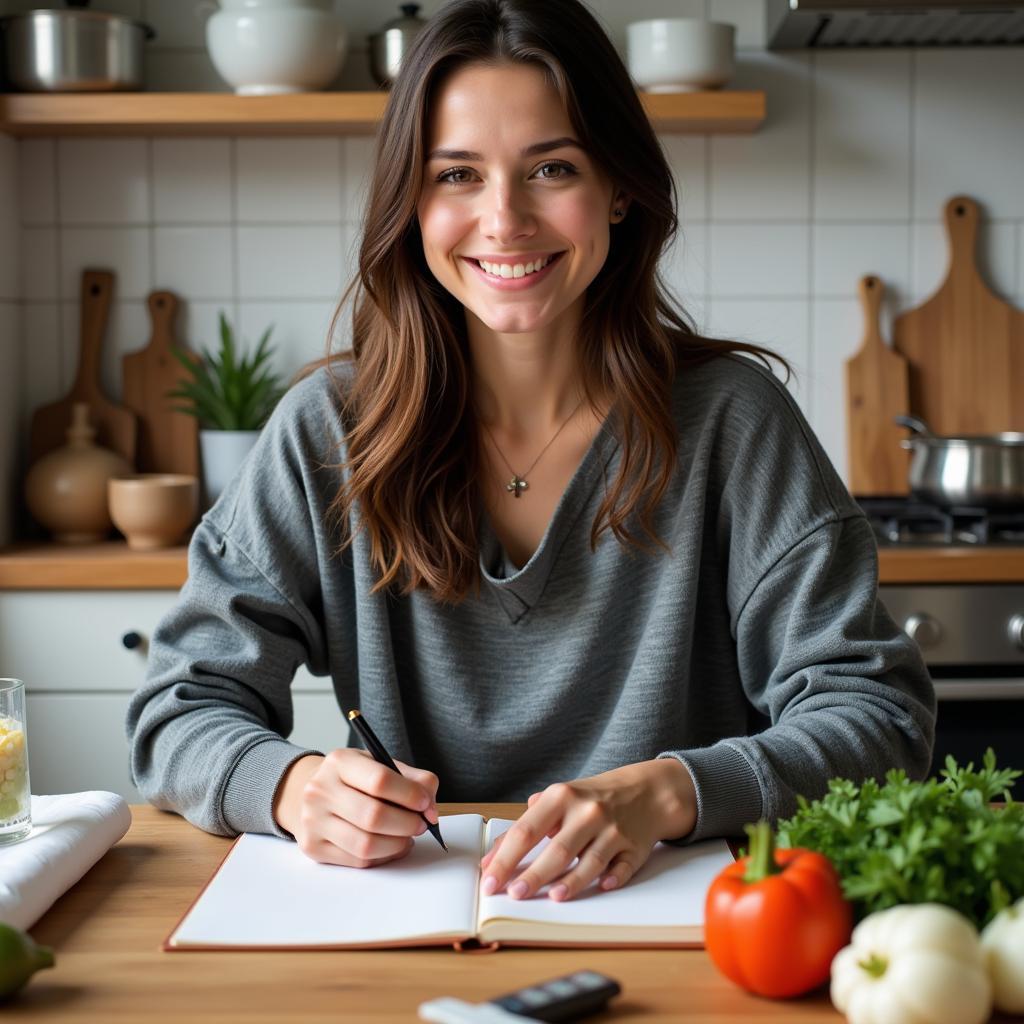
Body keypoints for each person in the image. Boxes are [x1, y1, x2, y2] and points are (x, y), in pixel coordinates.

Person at [126, 0, 935, 905]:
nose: (504, 219)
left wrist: (668, 790)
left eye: (552, 167)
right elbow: (178, 714)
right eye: (458, 175)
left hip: (694, 937)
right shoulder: (329, 429)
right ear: (412, 204)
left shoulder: (735, 422)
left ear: (620, 187)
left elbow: (879, 718)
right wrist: (288, 785)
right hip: (405, 933)